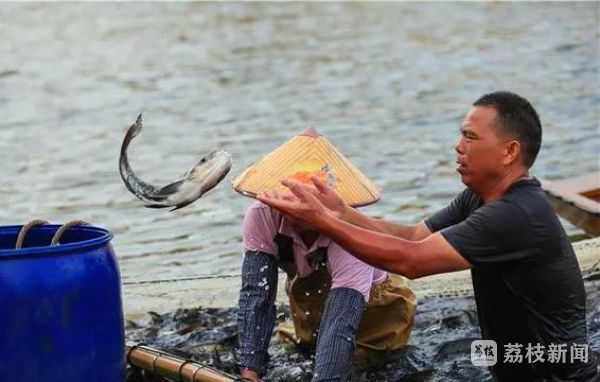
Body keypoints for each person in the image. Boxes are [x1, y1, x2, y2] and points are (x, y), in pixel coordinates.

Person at [258, 91, 598, 381]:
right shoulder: (481, 197)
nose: (458, 146)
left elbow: (411, 261)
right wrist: (340, 212)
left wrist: (321, 220)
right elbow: (414, 236)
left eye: (470, 137)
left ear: (510, 152)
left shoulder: (514, 215)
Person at [232, 128, 417, 381]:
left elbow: (341, 319)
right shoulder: (262, 215)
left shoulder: (348, 231)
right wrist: (250, 371)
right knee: (300, 358)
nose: (298, 210)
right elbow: (256, 293)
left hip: (375, 307)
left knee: (369, 368)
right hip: (312, 303)